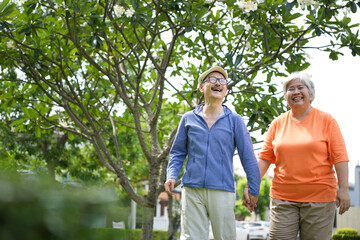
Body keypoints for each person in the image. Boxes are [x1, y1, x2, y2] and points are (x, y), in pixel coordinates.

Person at [244, 71, 350, 240]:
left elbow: (340, 157)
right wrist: (251, 185)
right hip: (283, 198)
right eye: (290, 89)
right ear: (286, 96)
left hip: (320, 198)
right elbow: (264, 159)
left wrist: (344, 189)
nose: (295, 92)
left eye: (301, 87)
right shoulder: (277, 123)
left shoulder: (326, 120)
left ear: (311, 94)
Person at [164, 66, 261, 240]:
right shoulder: (188, 118)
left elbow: (248, 156)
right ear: (201, 87)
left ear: (225, 90)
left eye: (222, 81)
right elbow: (178, 152)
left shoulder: (235, 120)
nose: (218, 83)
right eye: (212, 80)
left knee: (225, 237)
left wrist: (253, 188)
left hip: (222, 189)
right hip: (192, 188)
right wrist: (171, 175)